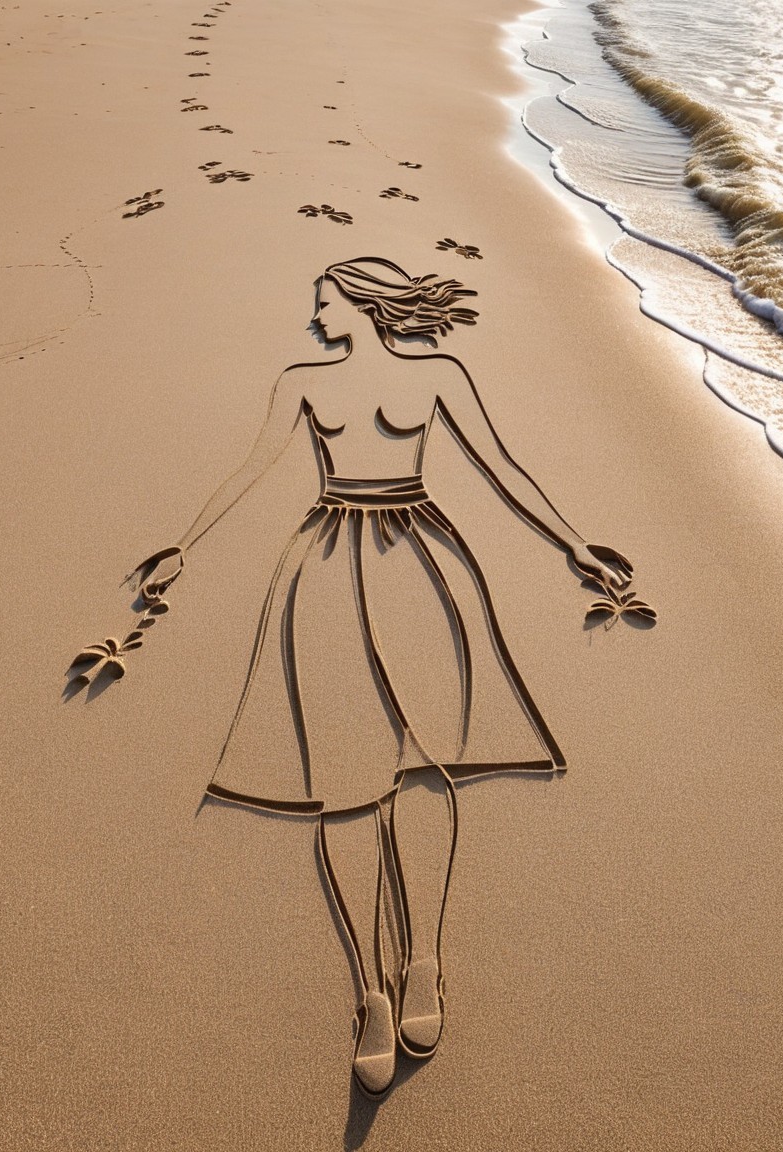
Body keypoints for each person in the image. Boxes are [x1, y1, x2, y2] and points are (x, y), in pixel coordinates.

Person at [129, 257, 629, 1098]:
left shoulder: (439, 373)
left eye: (325, 301)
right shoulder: (299, 380)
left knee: (425, 765)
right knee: (344, 780)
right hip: (327, 562)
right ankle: (369, 985)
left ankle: (425, 959)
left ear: (362, 304)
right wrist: (188, 542)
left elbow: (500, 467)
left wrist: (573, 543)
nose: (318, 315)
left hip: (425, 564)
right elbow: (251, 470)